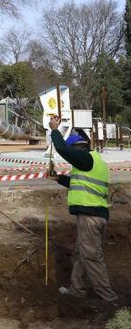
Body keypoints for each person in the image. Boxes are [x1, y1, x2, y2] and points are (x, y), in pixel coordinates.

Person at [48, 116, 118, 307]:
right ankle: (76, 290)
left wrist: (55, 130)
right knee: (81, 253)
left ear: (78, 147)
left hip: (90, 217)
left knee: (92, 256)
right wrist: (59, 179)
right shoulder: (93, 162)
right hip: (95, 215)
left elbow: (62, 149)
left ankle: (108, 298)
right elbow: (78, 184)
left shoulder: (85, 159)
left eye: (73, 151)